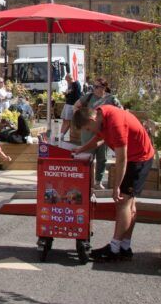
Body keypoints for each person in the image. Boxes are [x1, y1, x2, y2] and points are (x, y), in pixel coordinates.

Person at [72, 104, 155, 261]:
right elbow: (99, 138)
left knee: (123, 202)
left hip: (138, 159)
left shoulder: (115, 124)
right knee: (130, 205)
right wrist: (81, 149)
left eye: (88, 128)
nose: (90, 131)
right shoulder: (100, 115)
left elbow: (121, 159)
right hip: (133, 157)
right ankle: (125, 246)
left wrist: (116, 186)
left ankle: (115, 249)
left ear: (91, 119)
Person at [74, 78, 122, 187]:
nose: (94, 89)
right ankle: (87, 181)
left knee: (102, 158)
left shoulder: (111, 98)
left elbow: (121, 111)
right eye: (93, 86)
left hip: (103, 133)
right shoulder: (88, 96)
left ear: (104, 88)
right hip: (88, 133)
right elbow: (76, 105)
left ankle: (98, 182)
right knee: (88, 157)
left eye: (97, 86)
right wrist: (80, 118)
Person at [59, 73, 83, 138]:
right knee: (64, 120)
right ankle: (60, 135)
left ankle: (62, 135)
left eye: (67, 80)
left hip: (72, 105)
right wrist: (66, 93)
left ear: (70, 78)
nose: (67, 81)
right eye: (66, 80)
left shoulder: (76, 84)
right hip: (68, 104)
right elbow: (69, 95)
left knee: (68, 121)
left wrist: (69, 92)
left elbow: (77, 95)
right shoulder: (70, 85)